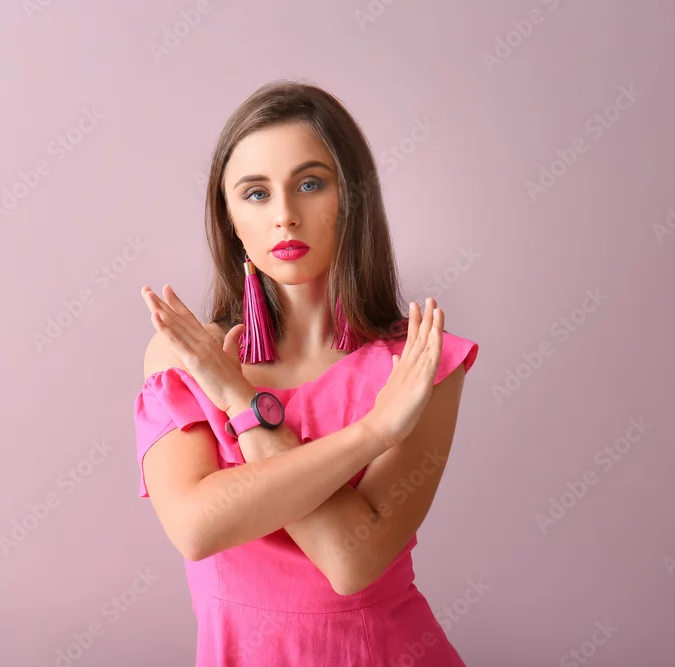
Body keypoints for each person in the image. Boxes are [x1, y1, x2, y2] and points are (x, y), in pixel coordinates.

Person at [134, 80, 478, 666]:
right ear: (229, 217)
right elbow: (196, 529)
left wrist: (238, 401)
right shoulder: (186, 356)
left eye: (311, 184)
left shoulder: (420, 360)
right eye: (256, 193)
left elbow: (351, 562)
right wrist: (373, 433)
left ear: (353, 199)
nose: (285, 216)